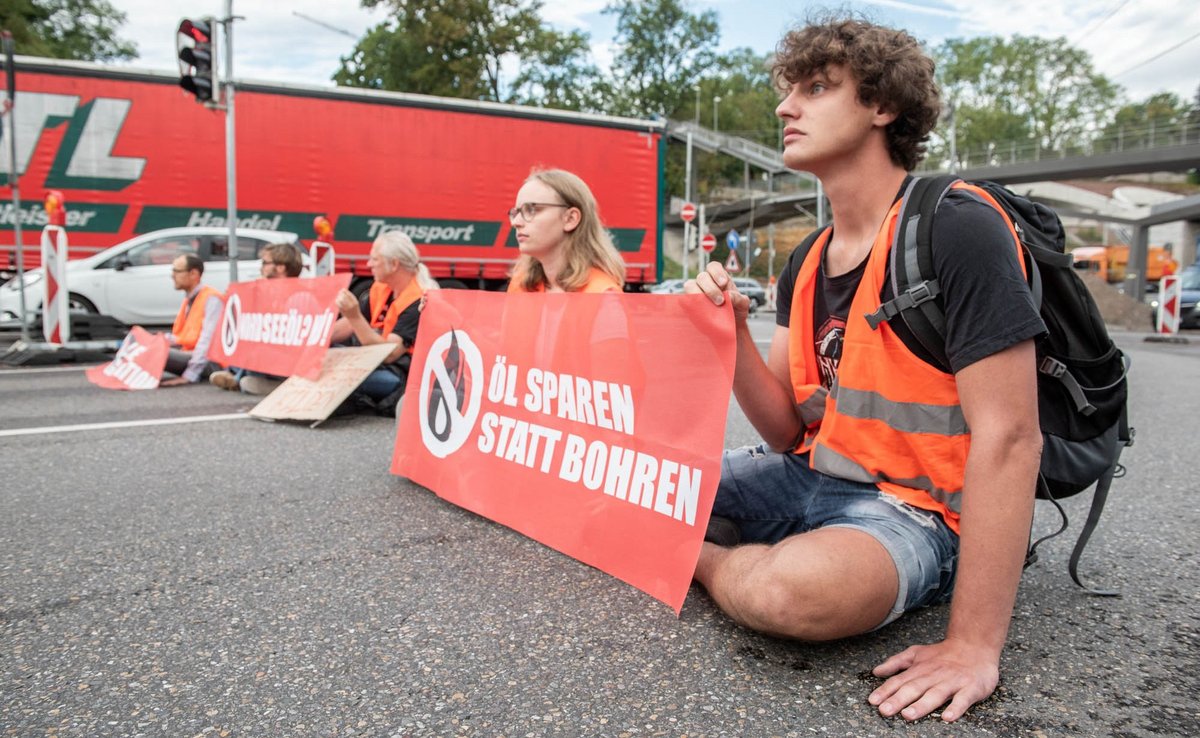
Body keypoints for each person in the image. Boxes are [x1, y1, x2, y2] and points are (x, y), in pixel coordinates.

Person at [686, 16, 1045, 724]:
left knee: (784, 597)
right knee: (644, 483)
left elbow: (1012, 437)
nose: (786, 108)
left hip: (920, 510)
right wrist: (730, 336)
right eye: (787, 92)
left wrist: (973, 645)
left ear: (883, 106)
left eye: (816, 88)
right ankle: (715, 543)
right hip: (811, 474)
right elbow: (790, 428)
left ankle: (697, 558)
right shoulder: (807, 259)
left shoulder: (955, 227)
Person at [330, 230, 437, 413]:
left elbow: (390, 355)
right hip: (375, 363)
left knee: (335, 372)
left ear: (394, 264)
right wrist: (315, 338)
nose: (369, 264)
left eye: (374, 259)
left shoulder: (419, 300)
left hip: (400, 375)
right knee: (325, 358)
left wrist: (354, 315)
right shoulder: (382, 289)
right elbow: (349, 325)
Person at [506, 168, 625, 294]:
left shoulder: (602, 294)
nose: (515, 222)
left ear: (570, 219)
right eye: (515, 212)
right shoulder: (520, 286)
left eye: (531, 210)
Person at [210, 241, 306, 394]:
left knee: (255, 349)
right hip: (270, 356)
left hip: (288, 358)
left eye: (265, 263)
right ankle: (244, 378)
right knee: (233, 350)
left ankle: (241, 380)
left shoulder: (299, 297)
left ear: (281, 267)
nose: (261, 267)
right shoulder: (268, 292)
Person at [160, 253, 223, 387]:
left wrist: (190, 375)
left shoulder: (211, 299)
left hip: (208, 361)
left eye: (177, 271)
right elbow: (183, 337)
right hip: (189, 353)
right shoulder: (191, 298)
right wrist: (154, 339)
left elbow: (207, 340)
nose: (172, 275)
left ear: (193, 274)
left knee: (155, 351)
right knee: (146, 346)